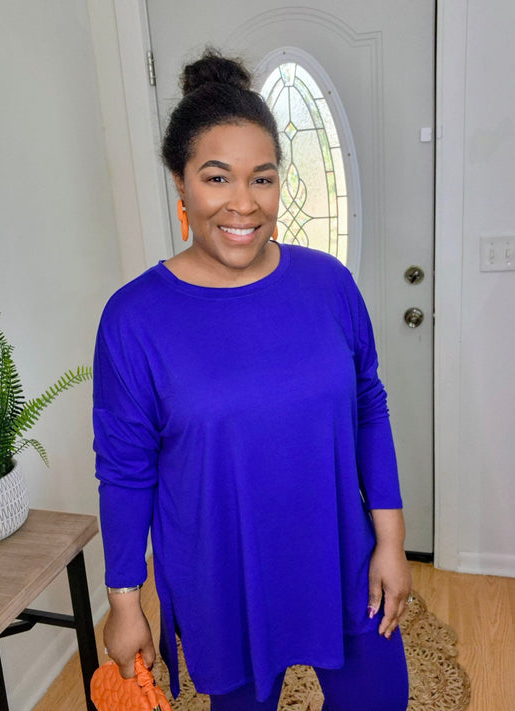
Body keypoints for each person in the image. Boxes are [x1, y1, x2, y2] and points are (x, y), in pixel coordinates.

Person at [93, 48, 411, 711]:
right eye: (217, 178)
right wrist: (124, 601)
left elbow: (368, 407)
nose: (243, 204)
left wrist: (391, 541)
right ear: (180, 182)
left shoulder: (328, 284)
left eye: (261, 179)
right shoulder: (134, 318)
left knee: (380, 698)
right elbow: (124, 471)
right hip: (222, 575)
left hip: (340, 553)